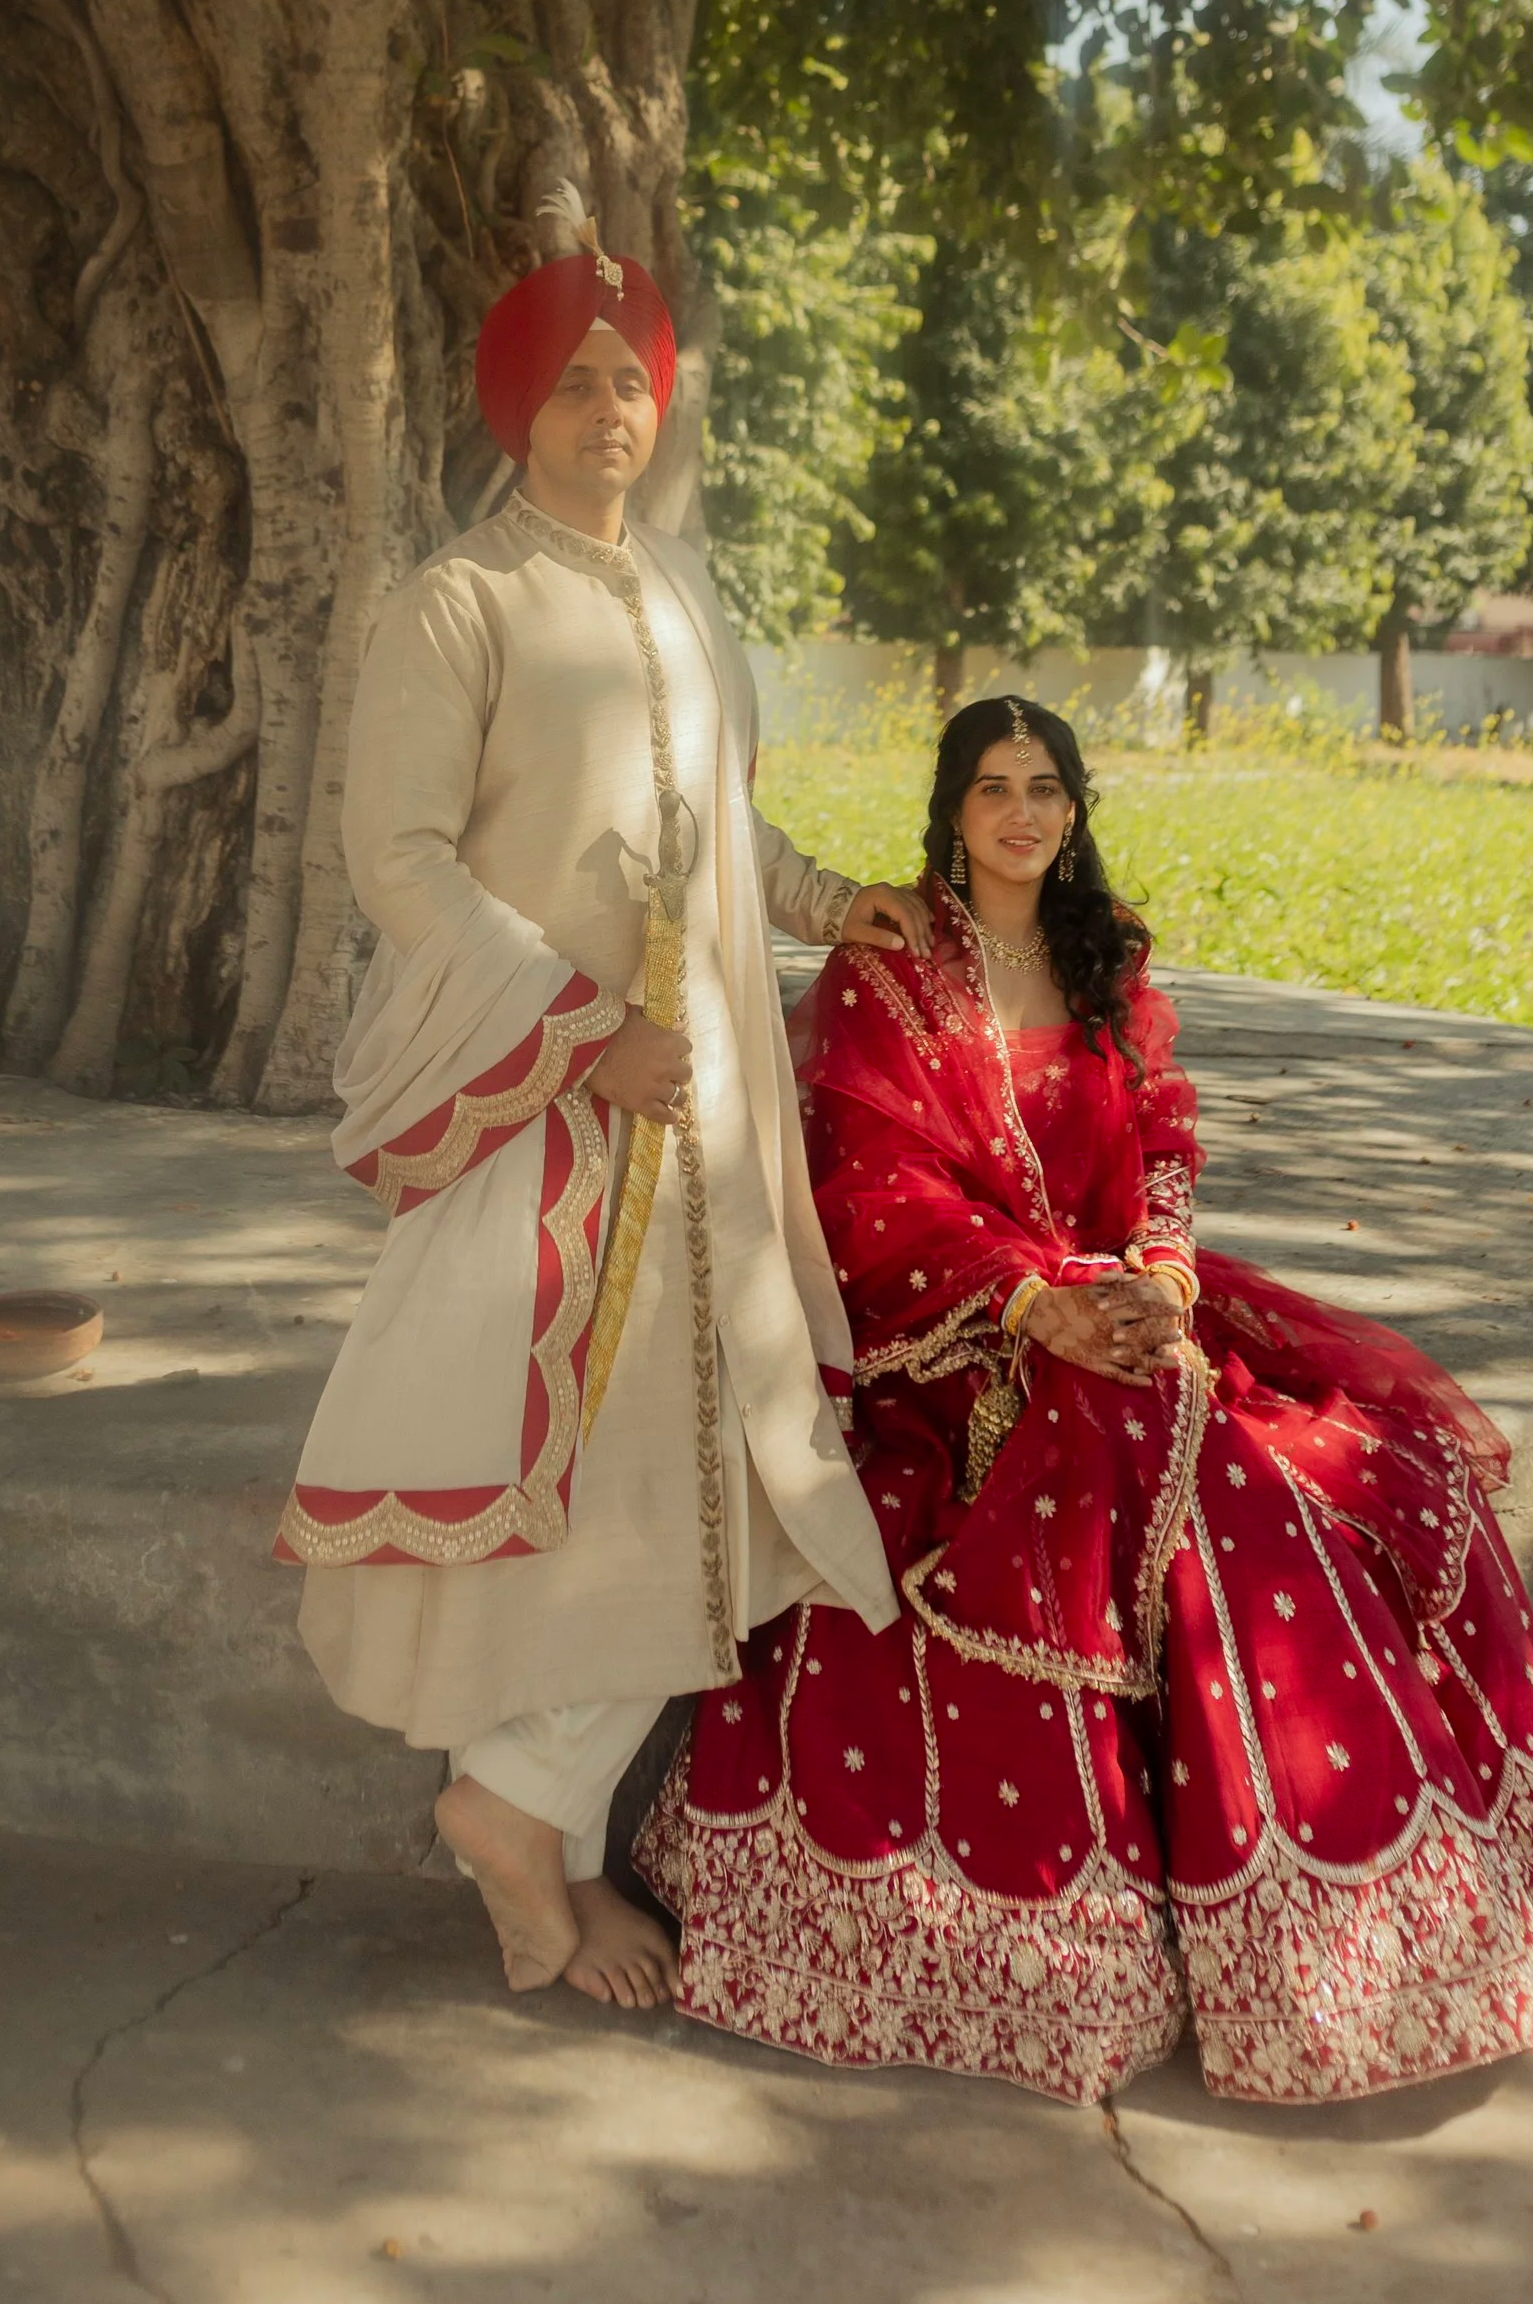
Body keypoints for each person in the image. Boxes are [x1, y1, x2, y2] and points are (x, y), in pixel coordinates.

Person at [637, 694, 1533, 2104]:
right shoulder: (891, 970)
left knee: (1321, 1459)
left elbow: (1158, 1140)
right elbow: (868, 1187)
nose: (1022, 813)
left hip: (1126, 1296)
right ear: (949, 809)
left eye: (1046, 786)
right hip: (954, 1329)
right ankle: (1195, 1935)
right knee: (1132, 1424)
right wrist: (1030, 1300)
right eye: (992, 788)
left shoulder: (1110, 957)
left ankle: (1366, 1931)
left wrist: (1158, 1278)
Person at [275, 183, 924, 2010]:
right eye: (569, 384)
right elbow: (396, 857)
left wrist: (813, 904)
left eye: (628, 381)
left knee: (708, 1477)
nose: (607, 410)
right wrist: (571, 1031)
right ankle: (522, 1827)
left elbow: (712, 824)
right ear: (512, 410)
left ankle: (521, 1827)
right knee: (590, 1484)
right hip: (548, 1114)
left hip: (699, 1119)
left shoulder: (676, 589)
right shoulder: (456, 601)